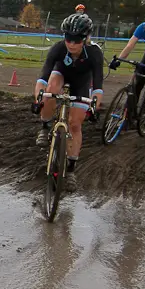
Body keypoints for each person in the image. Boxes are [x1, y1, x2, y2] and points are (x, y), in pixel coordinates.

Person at [32, 13, 103, 192]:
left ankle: (71, 170)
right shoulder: (58, 48)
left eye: (76, 40)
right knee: (50, 90)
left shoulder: (94, 53)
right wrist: (38, 99)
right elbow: (43, 77)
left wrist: (95, 106)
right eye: (68, 38)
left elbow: (98, 87)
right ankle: (45, 125)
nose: (71, 44)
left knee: (75, 124)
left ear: (85, 39)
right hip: (60, 73)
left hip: (82, 82)